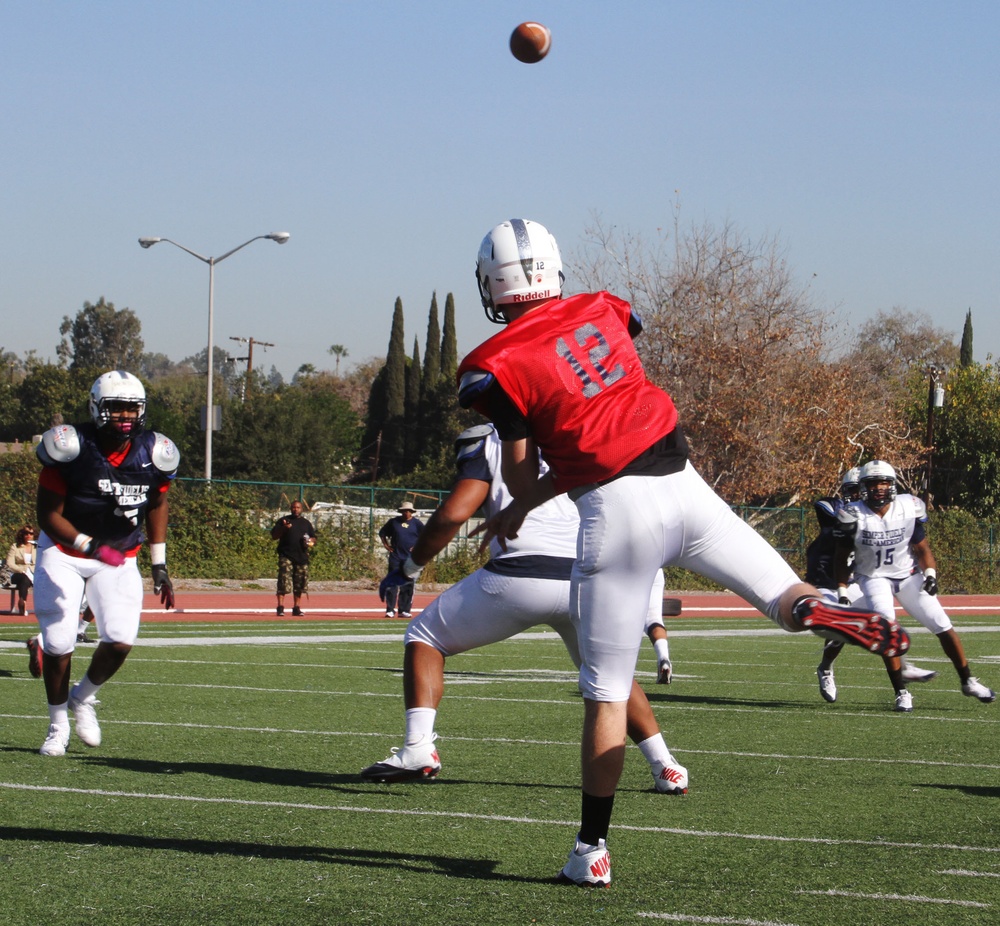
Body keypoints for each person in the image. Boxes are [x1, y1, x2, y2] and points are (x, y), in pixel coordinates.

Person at [456, 218, 908, 887]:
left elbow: (526, 473)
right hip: (685, 485)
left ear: (492, 286)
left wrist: (520, 495)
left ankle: (591, 851)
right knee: (784, 597)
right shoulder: (604, 308)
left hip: (617, 514)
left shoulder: (491, 365)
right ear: (554, 270)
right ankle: (827, 613)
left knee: (607, 693)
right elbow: (602, 404)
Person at [362, 423, 688, 795]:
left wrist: (410, 568)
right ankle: (666, 766)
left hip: (521, 570)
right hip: (583, 574)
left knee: (424, 636)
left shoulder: (488, 437)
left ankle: (418, 747)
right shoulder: (569, 432)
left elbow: (455, 512)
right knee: (608, 676)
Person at [33, 370, 179, 757]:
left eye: (133, 408)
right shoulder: (70, 446)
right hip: (64, 553)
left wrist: (158, 563)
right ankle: (57, 723)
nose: (126, 417)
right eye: (117, 409)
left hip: (118, 554)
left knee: (119, 639)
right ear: (97, 408)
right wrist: (89, 544)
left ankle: (82, 698)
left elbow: (158, 503)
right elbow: (48, 516)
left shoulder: (154, 451)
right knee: (60, 640)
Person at [832, 459, 995, 712]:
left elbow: (922, 549)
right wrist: (842, 591)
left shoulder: (908, 507)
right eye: (873, 483)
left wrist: (930, 574)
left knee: (942, 624)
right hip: (873, 577)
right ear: (863, 487)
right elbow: (841, 558)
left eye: (884, 483)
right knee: (887, 629)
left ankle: (968, 681)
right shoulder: (853, 514)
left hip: (908, 575)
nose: (878, 489)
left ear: (892, 485)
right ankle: (901, 692)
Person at [811, 468, 935, 703]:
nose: (860, 494)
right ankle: (826, 668)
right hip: (828, 581)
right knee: (841, 628)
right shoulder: (835, 508)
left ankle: (902, 684)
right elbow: (830, 512)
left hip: (858, 579)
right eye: (855, 490)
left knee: (884, 623)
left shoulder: (879, 514)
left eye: (863, 489)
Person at [377, 501, 424, 618]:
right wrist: (386, 546)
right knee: (392, 583)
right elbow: (382, 533)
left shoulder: (417, 524)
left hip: (410, 558)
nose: (406, 513)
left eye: (408, 511)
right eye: (404, 511)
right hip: (396, 556)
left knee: (408, 583)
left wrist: (418, 547)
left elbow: (425, 536)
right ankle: (390, 609)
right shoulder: (394, 522)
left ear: (412, 512)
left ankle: (404, 609)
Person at [270, 500, 316, 616]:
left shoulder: (306, 523)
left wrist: (310, 541)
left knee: (300, 583)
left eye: (298, 507)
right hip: (286, 555)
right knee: (283, 581)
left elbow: (313, 537)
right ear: (291, 508)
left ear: (302, 509)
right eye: (294, 507)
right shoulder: (284, 521)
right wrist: (284, 528)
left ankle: (296, 607)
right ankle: (280, 607)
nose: (296, 509)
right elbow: (274, 536)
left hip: (301, 557)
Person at [7, 525, 36, 615]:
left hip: (34, 573)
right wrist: (20, 570)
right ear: (22, 535)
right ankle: (22, 603)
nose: (28, 535)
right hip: (18, 573)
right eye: (26, 533)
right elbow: (10, 563)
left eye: (31, 533)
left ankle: (22, 601)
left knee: (26, 580)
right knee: (24, 578)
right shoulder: (15, 547)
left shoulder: (37, 547)